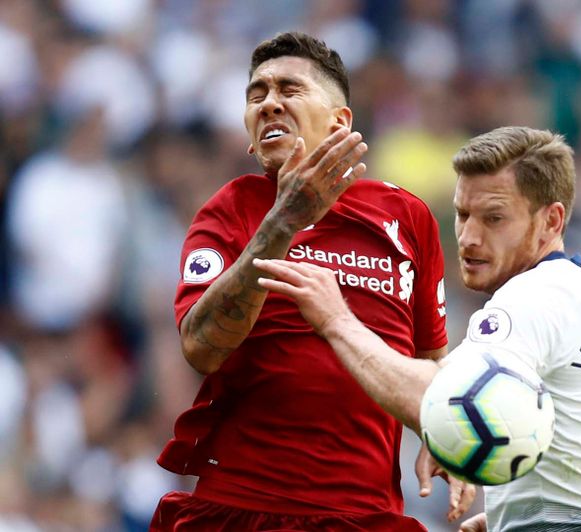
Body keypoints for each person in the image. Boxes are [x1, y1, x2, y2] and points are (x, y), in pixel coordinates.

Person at [255, 126, 581, 531]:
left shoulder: (530, 298)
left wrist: (336, 320)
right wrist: (524, 518)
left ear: (552, 221)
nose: (468, 237)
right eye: (463, 214)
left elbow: (440, 398)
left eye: (494, 218)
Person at [151, 32, 473, 531]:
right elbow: (200, 348)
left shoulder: (406, 216)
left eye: (289, 90)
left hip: (364, 514)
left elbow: (430, 363)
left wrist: (442, 437)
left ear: (340, 121)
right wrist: (281, 224)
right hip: (243, 507)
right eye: (256, 95)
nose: (270, 103)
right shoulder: (229, 210)